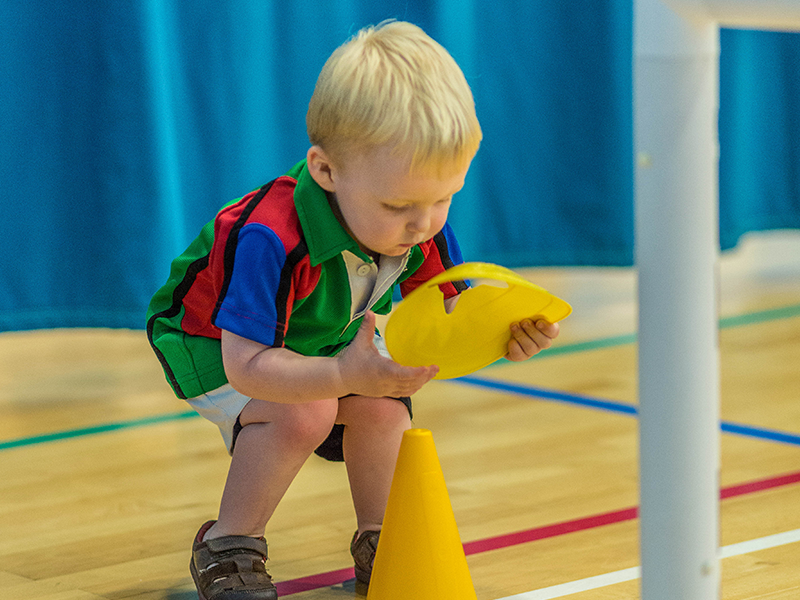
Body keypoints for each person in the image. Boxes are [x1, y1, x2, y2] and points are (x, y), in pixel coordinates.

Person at [146, 20, 559, 600]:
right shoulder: (271, 237)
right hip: (211, 345)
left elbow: (450, 322)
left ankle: (382, 543)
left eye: (444, 197)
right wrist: (341, 375)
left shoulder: (419, 226)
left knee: (386, 410)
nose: (423, 223)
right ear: (325, 171)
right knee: (304, 412)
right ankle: (228, 544)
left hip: (313, 342)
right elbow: (246, 367)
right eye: (399, 204)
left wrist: (506, 332)